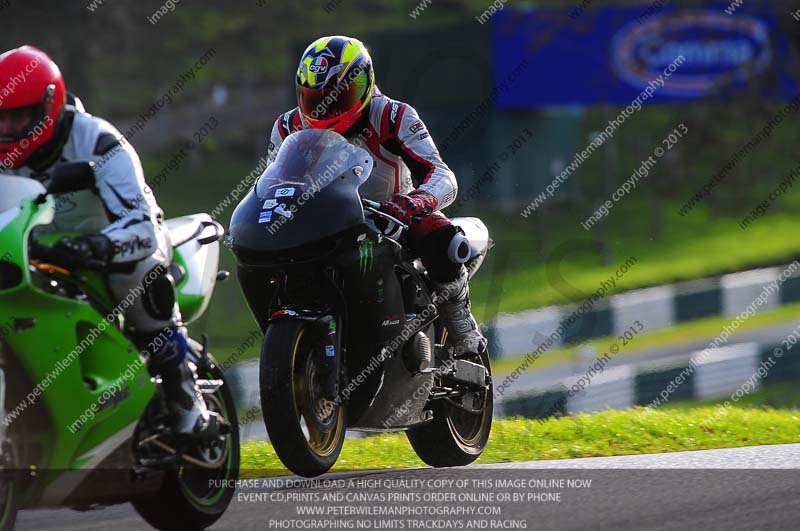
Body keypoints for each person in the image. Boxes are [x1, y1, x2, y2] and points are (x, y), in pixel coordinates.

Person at [0, 45, 221, 438]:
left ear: (49, 105)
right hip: (31, 251)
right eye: (1, 118)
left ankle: (189, 404)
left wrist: (95, 247)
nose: (8, 129)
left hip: (116, 245)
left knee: (138, 277)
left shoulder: (99, 143)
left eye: (19, 117)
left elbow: (142, 226)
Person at [265, 35, 486, 356]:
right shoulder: (287, 127)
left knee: (441, 236)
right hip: (319, 224)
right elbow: (268, 184)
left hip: (391, 220)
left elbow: (443, 175)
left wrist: (413, 202)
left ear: (365, 82)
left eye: (339, 96)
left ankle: (460, 317)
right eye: (315, 98)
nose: (326, 107)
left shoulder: (393, 116)